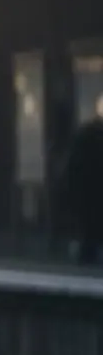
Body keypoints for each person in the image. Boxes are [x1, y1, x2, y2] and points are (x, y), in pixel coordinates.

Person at [66, 99, 103, 264]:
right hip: (92, 189)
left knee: (89, 228)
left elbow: (74, 166)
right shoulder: (87, 134)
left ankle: (87, 254)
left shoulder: (85, 133)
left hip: (88, 191)